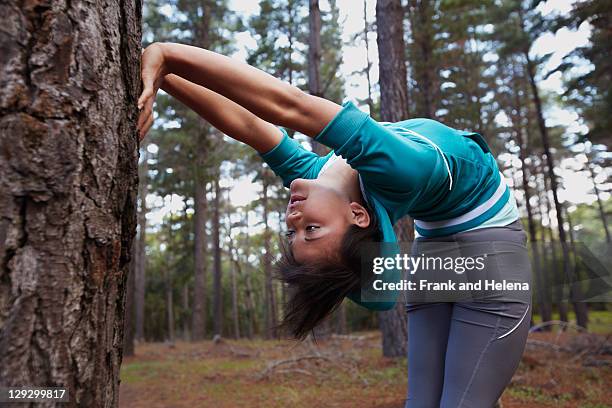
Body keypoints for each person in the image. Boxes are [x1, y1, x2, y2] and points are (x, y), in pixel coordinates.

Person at [137, 42, 532, 408]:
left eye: (295, 232)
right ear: (357, 216)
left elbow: (249, 126)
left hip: (469, 250)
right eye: (311, 230)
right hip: (481, 254)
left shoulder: (317, 178)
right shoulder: (397, 168)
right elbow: (289, 105)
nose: (293, 219)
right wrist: (166, 55)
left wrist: (165, 78)